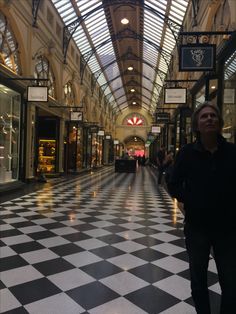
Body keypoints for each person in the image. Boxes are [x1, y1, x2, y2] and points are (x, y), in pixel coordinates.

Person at [167, 101, 236, 314]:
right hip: (197, 226)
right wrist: (191, 200)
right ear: (197, 124)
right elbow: (173, 183)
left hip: (228, 227)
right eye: (204, 116)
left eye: (213, 116)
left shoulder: (232, 152)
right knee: (198, 278)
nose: (209, 119)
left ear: (219, 122)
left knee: (231, 281)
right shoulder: (187, 153)